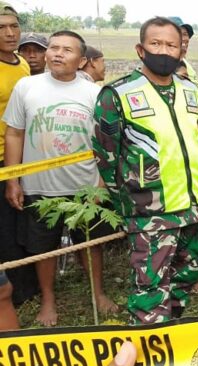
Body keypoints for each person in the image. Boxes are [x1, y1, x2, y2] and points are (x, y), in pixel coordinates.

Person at [93, 17, 198, 324]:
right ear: (140, 49)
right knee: (151, 291)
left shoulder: (189, 90)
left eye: (172, 45)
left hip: (195, 208)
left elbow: (196, 142)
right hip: (151, 213)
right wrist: (129, 204)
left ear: (181, 50)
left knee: (186, 279)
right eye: (155, 43)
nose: (164, 51)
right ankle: (150, 357)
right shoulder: (116, 94)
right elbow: (106, 157)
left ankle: (172, 338)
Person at [5, 31, 118, 326]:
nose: (57, 53)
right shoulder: (26, 87)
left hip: (85, 186)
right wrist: (13, 180)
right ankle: (48, 300)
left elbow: (106, 142)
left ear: (81, 60)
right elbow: (14, 133)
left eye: (67, 50)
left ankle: (98, 293)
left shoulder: (94, 94)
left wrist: (102, 184)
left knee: (91, 243)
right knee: (43, 247)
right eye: (53, 48)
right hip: (39, 186)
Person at [0, 1, 37, 308]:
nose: (10, 33)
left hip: (23, 158)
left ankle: (28, 286)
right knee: (6, 230)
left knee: (22, 223)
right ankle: (14, 294)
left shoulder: (21, 63)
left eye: (14, 26)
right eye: (2, 28)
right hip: (2, 161)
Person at [169, 17, 198, 82]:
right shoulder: (160, 68)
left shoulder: (188, 67)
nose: (183, 38)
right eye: (177, 34)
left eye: (185, 34)